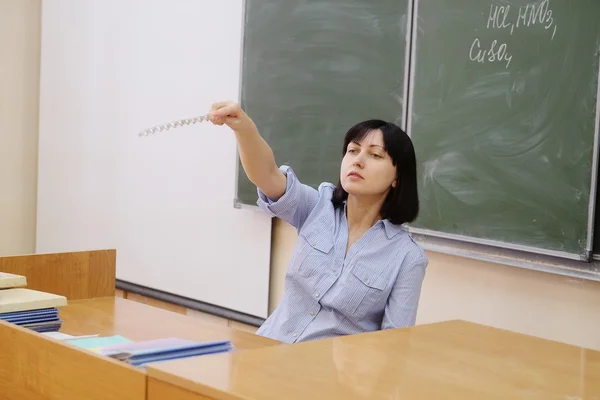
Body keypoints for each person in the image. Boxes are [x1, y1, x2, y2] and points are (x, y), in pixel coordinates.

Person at [208, 101, 428, 344]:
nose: (358, 161)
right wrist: (244, 128)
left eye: (375, 155)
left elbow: (392, 345)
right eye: (352, 151)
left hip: (324, 377)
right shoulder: (318, 206)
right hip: (266, 351)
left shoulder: (407, 257)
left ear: (397, 177)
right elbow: (267, 175)